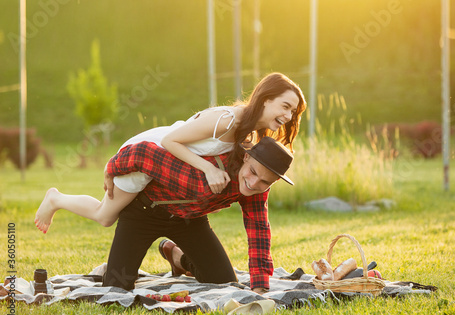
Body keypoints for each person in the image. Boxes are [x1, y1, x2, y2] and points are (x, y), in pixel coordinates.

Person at [34, 72, 306, 233]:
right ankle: (56, 199)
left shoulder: (250, 133)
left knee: (110, 214)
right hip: (150, 152)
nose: (287, 115)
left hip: (168, 165)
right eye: (284, 106)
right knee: (105, 216)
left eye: (292, 111)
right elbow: (170, 141)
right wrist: (209, 170)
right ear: (266, 99)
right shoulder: (227, 121)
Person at [102, 137, 294, 294]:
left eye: (264, 181)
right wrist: (111, 168)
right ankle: (173, 257)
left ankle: (178, 259)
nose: (253, 183)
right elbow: (143, 153)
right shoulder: (210, 166)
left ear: (274, 181)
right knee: (115, 287)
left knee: (223, 283)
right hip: (144, 213)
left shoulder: (258, 190)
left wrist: (259, 286)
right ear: (246, 158)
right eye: (252, 172)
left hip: (190, 220)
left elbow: (258, 230)